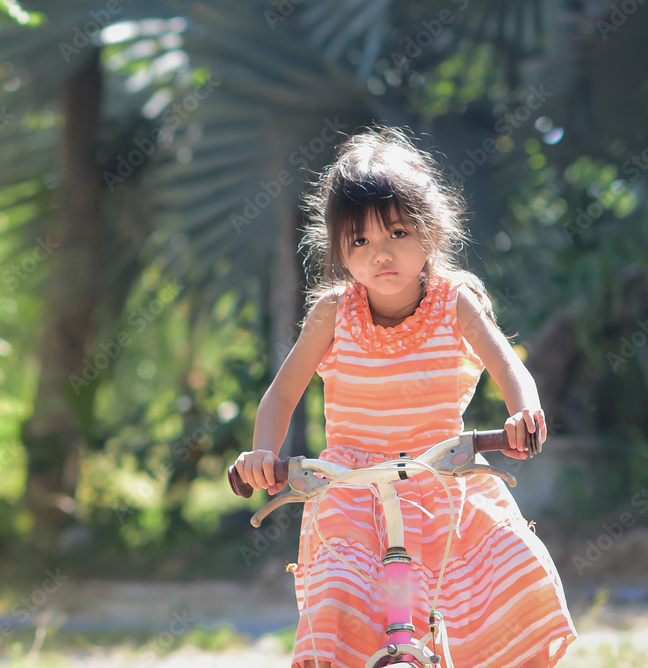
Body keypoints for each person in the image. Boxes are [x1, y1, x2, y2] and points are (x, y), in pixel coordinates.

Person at [233, 125, 577, 668]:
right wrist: (261, 454)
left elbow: (512, 371)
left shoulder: (455, 302)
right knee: (337, 595)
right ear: (340, 251)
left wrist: (523, 414)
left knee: (513, 575)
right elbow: (279, 397)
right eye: (361, 241)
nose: (381, 253)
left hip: (442, 478)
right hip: (351, 488)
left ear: (431, 230)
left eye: (397, 232)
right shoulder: (332, 315)